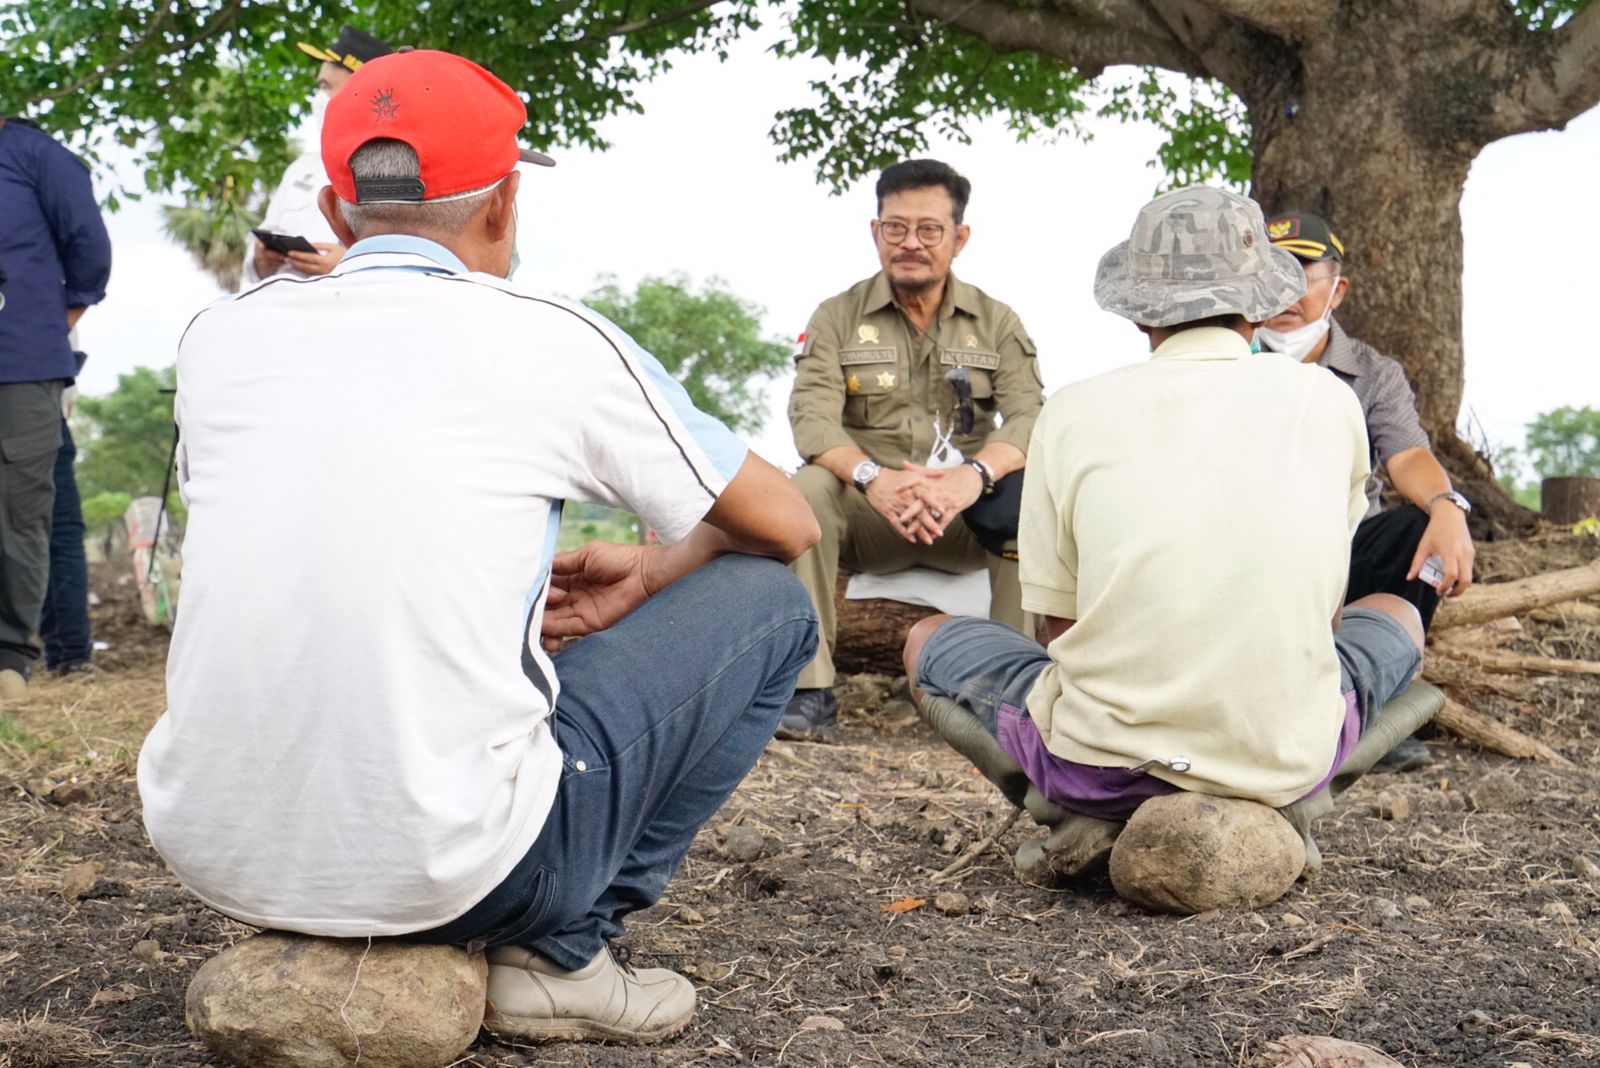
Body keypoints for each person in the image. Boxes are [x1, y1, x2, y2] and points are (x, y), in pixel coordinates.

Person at [137, 49, 820, 1045]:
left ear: (334, 213)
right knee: (770, 602)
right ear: (503, 206)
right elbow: (787, 523)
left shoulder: (216, 340)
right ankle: (563, 950)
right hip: (465, 872)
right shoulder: (549, 337)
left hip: (219, 852)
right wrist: (655, 569)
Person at [902, 187, 1431, 873]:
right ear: (1258, 303)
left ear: (1140, 312)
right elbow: (1324, 615)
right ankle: (1282, 809)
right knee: (1398, 617)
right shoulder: (1328, 401)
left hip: (1100, 764)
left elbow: (1058, 632)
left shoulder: (1072, 411)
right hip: (1283, 755)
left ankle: (1075, 812)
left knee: (925, 641)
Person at [780, 158, 1044, 742]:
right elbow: (811, 419)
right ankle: (809, 690)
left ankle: (1007, 699)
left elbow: (1031, 415)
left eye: (929, 229)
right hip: (871, 511)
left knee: (1031, 495)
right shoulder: (836, 317)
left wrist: (972, 477)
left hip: (965, 517)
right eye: (895, 228)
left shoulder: (997, 321)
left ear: (959, 238)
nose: (911, 243)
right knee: (805, 489)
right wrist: (874, 477)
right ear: (875, 233)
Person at [1263, 211, 1473, 770]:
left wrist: (1447, 506)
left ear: (1337, 288)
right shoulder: (1221, 363)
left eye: (1302, 273)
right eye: (1269, 272)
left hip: (1344, 554)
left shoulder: (1374, 373)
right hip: (1253, 554)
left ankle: (1373, 694)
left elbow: (1407, 454)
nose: (1285, 289)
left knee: (1414, 531)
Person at [0, 116, 111, 701]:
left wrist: (50, 320)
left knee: (25, 510)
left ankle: (12, 656)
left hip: (22, 365)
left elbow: (90, 251)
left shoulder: (34, 156)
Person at [239, 25, 393, 288]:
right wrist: (260, 262)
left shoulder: (400, 169)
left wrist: (351, 264)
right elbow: (251, 266)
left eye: (327, 86)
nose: (318, 98)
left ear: (364, 90)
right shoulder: (301, 168)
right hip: (281, 316)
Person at [39, 350, 93, 674]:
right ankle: (70, 656)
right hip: (41, 406)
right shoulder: (50, 301)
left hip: (44, 406)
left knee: (53, 536)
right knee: (62, 534)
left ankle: (67, 654)